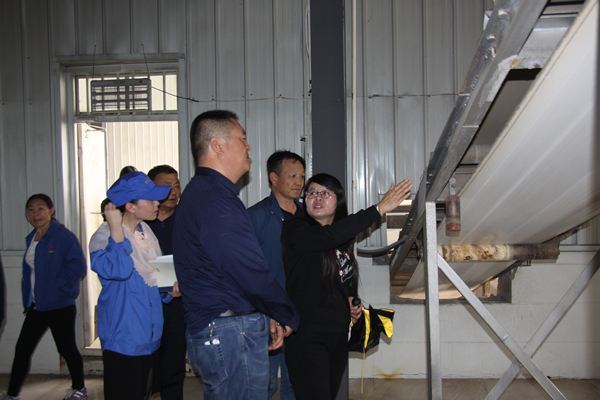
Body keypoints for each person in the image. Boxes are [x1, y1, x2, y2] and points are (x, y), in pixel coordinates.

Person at [173, 110, 300, 400]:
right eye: (242, 138)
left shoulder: (202, 193)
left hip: (221, 328)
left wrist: (264, 312)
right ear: (217, 145)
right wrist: (286, 313)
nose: (248, 146)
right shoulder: (216, 201)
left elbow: (225, 272)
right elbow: (248, 270)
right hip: (229, 334)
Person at [282, 173, 412, 400]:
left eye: (326, 193)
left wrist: (350, 299)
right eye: (312, 192)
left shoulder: (343, 240)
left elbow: (343, 277)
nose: (317, 197)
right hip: (307, 335)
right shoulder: (295, 229)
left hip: (338, 333)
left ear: (338, 200)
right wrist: (379, 209)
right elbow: (328, 236)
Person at [89, 172, 171, 399]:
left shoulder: (146, 233)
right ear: (130, 206)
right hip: (124, 338)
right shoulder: (103, 237)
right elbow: (120, 269)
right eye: (151, 199)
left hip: (149, 335)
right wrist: (116, 230)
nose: (157, 203)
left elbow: (156, 275)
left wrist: (169, 290)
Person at [4, 194, 88, 400]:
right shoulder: (32, 237)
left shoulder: (63, 236)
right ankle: (12, 394)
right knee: (22, 349)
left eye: (40, 208)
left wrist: (58, 287)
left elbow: (78, 266)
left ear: (51, 211)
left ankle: (79, 389)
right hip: (38, 305)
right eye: (31, 209)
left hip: (59, 304)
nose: (35, 214)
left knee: (66, 348)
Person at [247, 150, 305, 399]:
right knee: (265, 382)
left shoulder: (307, 217)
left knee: (296, 382)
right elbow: (246, 270)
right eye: (292, 175)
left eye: (302, 176)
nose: (299, 182)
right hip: (266, 315)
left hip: (299, 313)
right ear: (274, 177)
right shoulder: (256, 217)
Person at [145, 164, 186, 400]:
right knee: (145, 368)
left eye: (177, 185)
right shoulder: (141, 223)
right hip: (145, 302)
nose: (173, 191)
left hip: (177, 304)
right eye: (166, 186)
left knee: (173, 364)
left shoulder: (187, 219)